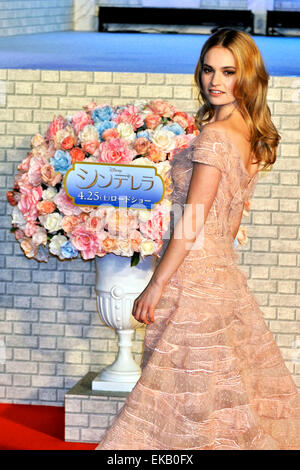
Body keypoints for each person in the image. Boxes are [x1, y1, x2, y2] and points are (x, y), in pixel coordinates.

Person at [96, 28, 300, 450]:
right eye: (209, 69)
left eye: (229, 71)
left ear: (248, 76)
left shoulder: (215, 136)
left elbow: (191, 222)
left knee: (177, 404)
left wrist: (156, 285)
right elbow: (228, 218)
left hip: (195, 282)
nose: (215, 81)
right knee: (205, 405)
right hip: (222, 278)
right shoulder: (248, 132)